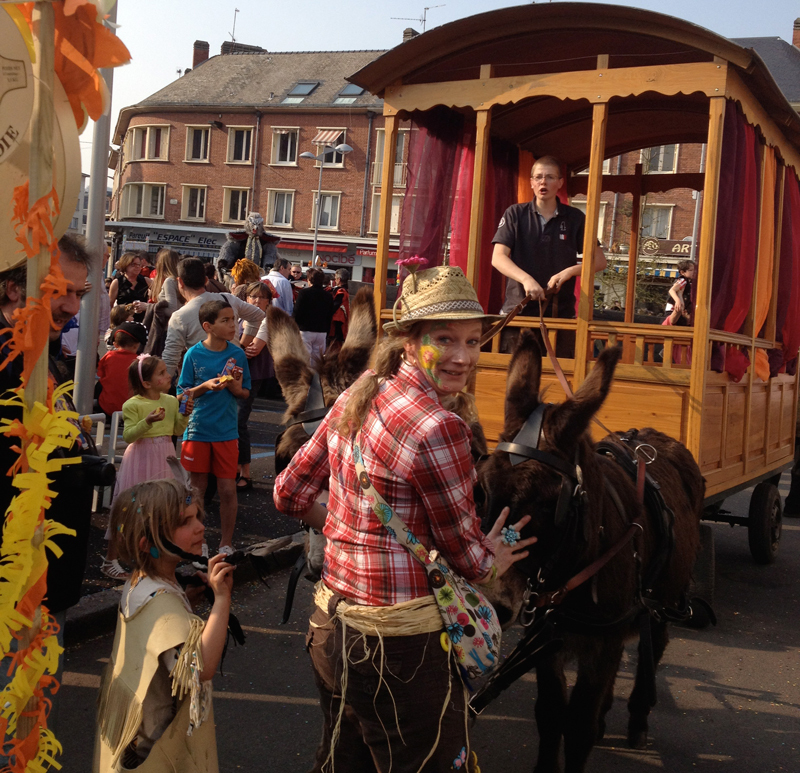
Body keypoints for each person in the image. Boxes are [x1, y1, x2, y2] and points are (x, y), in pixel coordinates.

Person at [274, 265, 535, 773]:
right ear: (410, 343)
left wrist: (351, 528)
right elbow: (469, 560)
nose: (462, 356)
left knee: (341, 764)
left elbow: (288, 493)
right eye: (445, 339)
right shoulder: (440, 427)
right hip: (401, 651)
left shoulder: (361, 389)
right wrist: (495, 555)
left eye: (473, 341)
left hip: (331, 625)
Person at [0, 234, 93, 750]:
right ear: (15, 289)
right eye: (62, 290)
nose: (72, 306)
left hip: (43, 581)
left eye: (79, 294)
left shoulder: (41, 355)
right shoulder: (8, 360)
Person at [93, 478, 234, 771]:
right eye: (185, 522)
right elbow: (201, 667)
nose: (199, 527)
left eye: (198, 516)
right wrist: (221, 600)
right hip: (158, 751)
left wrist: (187, 602)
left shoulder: (141, 582)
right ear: (149, 544)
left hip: (136, 738)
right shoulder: (162, 606)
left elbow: (162, 640)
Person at [491, 155, 607, 353]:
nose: (543, 182)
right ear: (531, 183)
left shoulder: (575, 218)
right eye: (538, 177)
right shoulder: (515, 214)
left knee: (557, 379)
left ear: (560, 183)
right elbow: (498, 257)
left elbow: (600, 261)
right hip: (519, 311)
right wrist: (526, 279)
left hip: (559, 315)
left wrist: (569, 272)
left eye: (550, 177)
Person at [100, 353, 194, 580]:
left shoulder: (170, 401)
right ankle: (110, 560)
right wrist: (148, 421)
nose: (168, 375)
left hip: (165, 455)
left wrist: (185, 414)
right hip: (140, 457)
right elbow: (130, 435)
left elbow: (176, 431)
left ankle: (153, 560)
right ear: (146, 382)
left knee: (161, 509)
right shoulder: (133, 404)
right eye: (161, 373)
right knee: (127, 508)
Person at [178, 300, 250, 556]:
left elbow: (245, 392)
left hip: (227, 432)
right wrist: (205, 386)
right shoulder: (193, 354)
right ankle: (198, 538)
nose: (233, 325)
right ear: (208, 326)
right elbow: (182, 394)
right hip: (197, 430)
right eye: (226, 321)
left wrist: (234, 388)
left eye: (233, 320)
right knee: (197, 489)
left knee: (228, 488)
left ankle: (225, 542)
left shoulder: (238, 354)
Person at [162, 258, 264, 378]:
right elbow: (259, 315)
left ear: (180, 282)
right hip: (233, 374)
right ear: (206, 280)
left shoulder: (179, 316)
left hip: (200, 382)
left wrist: (160, 389)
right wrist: (242, 345)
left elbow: (170, 359)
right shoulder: (228, 299)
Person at [235, 281, 274, 490]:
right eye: (252, 296)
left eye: (261, 297)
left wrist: (235, 348)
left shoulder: (266, 321)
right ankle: (232, 467)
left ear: (268, 301)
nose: (256, 300)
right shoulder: (241, 317)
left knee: (240, 420)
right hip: (235, 374)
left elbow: (253, 349)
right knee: (232, 420)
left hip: (252, 375)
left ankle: (245, 472)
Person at [96, 321, 148, 417]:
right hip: (131, 410)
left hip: (106, 406)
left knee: (100, 385)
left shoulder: (109, 356)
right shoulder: (140, 362)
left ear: (115, 344)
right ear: (136, 345)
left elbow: (100, 374)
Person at [294, 267, 334, 361]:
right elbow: (330, 315)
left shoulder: (304, 293)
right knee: (317, 361)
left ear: (309, 279)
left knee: (304, 360)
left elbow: (297, 312)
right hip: (321, 332)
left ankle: (306, 376)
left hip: (305, 330)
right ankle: (316, 376)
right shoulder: (328, 296)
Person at [108, 252, 152, 322]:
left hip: (142, 321)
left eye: (139, 264)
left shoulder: (146, 281)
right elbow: (109, 305)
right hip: (123, 321)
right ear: (125, 265)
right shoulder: (117, 282)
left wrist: (147, 305)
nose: (137, 267)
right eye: (133, 264)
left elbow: (159, 297)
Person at [328, 267, 350, 344]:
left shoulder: (340, 291)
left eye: (335, 278)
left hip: (337, 323)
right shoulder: (349, 291)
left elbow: (334, 306)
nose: (335, 280)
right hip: (346, 321)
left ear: (339, 279)